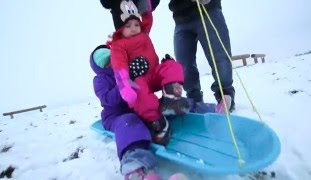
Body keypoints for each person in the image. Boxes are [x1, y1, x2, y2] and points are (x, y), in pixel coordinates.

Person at [102, 0, 190, 145]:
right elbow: (119, 67)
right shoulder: (118, 45)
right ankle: (157, 122)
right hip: (139, 80)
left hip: (154, 73)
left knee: (171, 66)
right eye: (128, 26)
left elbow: (147, 16)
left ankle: (172, 99)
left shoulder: (143, 33)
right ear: (119, 28)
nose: (134, 28)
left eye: (136, 24)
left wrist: (145, 5)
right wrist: (124, 86)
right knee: (139, 95)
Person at [90, 44, 161, 180]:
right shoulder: (100, 80)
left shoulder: (125, 69)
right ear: (99, 67)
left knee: (155, 109)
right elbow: (107, 99)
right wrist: (124, 84)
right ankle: (133, 163)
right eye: (105, 63)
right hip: (116, 116)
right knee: (128, 122)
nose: (110, 64)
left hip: (135, 109)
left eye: (111, 59)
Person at [168, 0, 236, 113]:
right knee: (183, 64)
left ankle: (225, 96)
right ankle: (194, 100)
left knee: (219, 57)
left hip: (208, 10)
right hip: (181, 18)